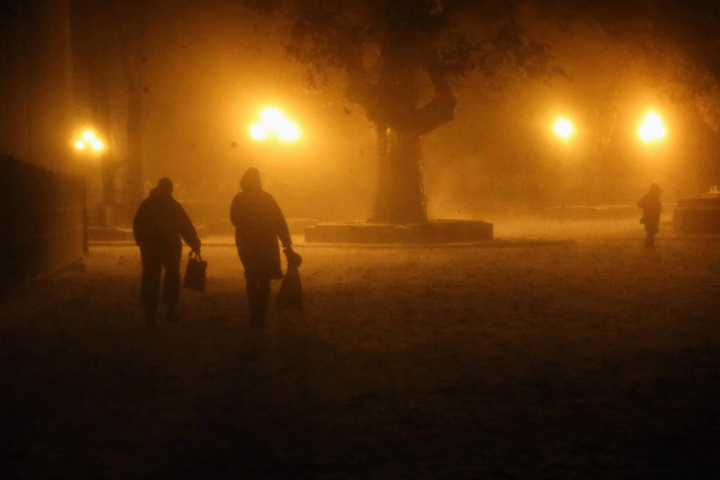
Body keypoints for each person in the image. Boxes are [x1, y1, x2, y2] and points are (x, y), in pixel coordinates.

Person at [230, 168, 299, 327]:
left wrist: (248, 228)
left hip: (246, 244)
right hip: (266, 244)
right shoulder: (267, 199)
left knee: (251, 276)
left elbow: (234, 219)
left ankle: (254, 309)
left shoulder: (239, 199)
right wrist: (287, 243)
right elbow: (279, 221)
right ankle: (261, 311)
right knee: (265, 278)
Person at [133, 177, 201, 325]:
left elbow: (138, 225)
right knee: (172, 277)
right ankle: (170, 309)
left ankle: (149, 313)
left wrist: (142, 242)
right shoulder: (173, 206)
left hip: (151, 247)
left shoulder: (147, 205)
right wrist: (195, 243)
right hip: (171, 246)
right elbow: (185, 227)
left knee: (150, 277)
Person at [638, 183, 662, 248]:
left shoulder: (646, 196)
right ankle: (649, 244)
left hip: (650, 216)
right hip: (651, 216)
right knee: (651, 231)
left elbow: (639, 204)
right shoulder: (653, 196)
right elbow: (640, 204)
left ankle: (650, 244)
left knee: (651, 231)